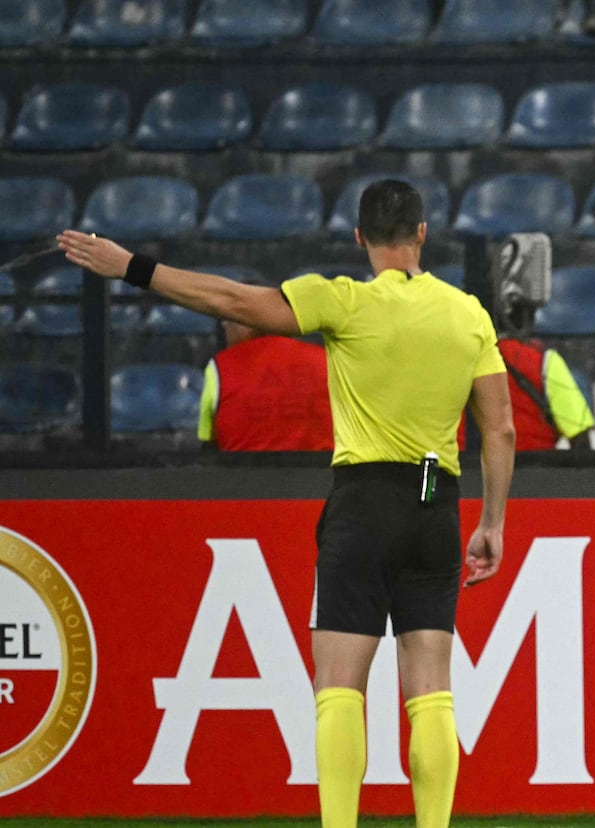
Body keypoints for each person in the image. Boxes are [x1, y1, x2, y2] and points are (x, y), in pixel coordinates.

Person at [56, 179, 517, 828]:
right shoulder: (467, 313)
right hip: (434, 501)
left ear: (359, 238)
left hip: (362, 504)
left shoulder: (342, 300)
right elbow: (501, 430)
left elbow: (229, 299)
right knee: (431, 688)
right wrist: (492, 522)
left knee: (339, 689)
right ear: (421, 234)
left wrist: (131, 266)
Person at [197, 291, 333, 452]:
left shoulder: (220, 368)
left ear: (249, 321)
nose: (225, 327)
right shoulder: (326, 360)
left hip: (241, 468)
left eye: (229, 320)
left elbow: (207, 442)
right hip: (323, 468)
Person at [498, 335, 595, 450]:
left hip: (483, 457)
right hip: (538, 457)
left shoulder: (482, 358)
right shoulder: (543, 359)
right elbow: (579, 433)